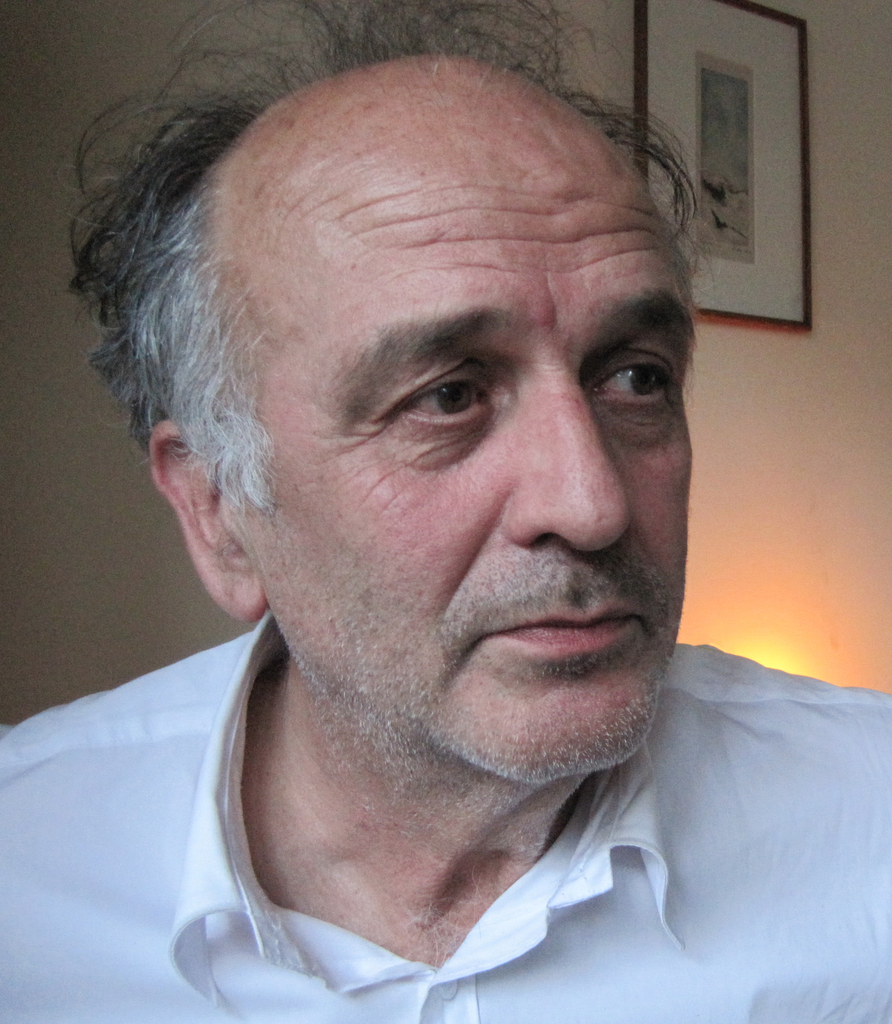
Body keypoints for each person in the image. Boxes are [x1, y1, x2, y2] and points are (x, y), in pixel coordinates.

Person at [1, 2, 891, 1021]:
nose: (591, 504)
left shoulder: (869, 827)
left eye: (636, 378)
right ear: (217, 510)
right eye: (447, 396)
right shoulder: (26, 873)